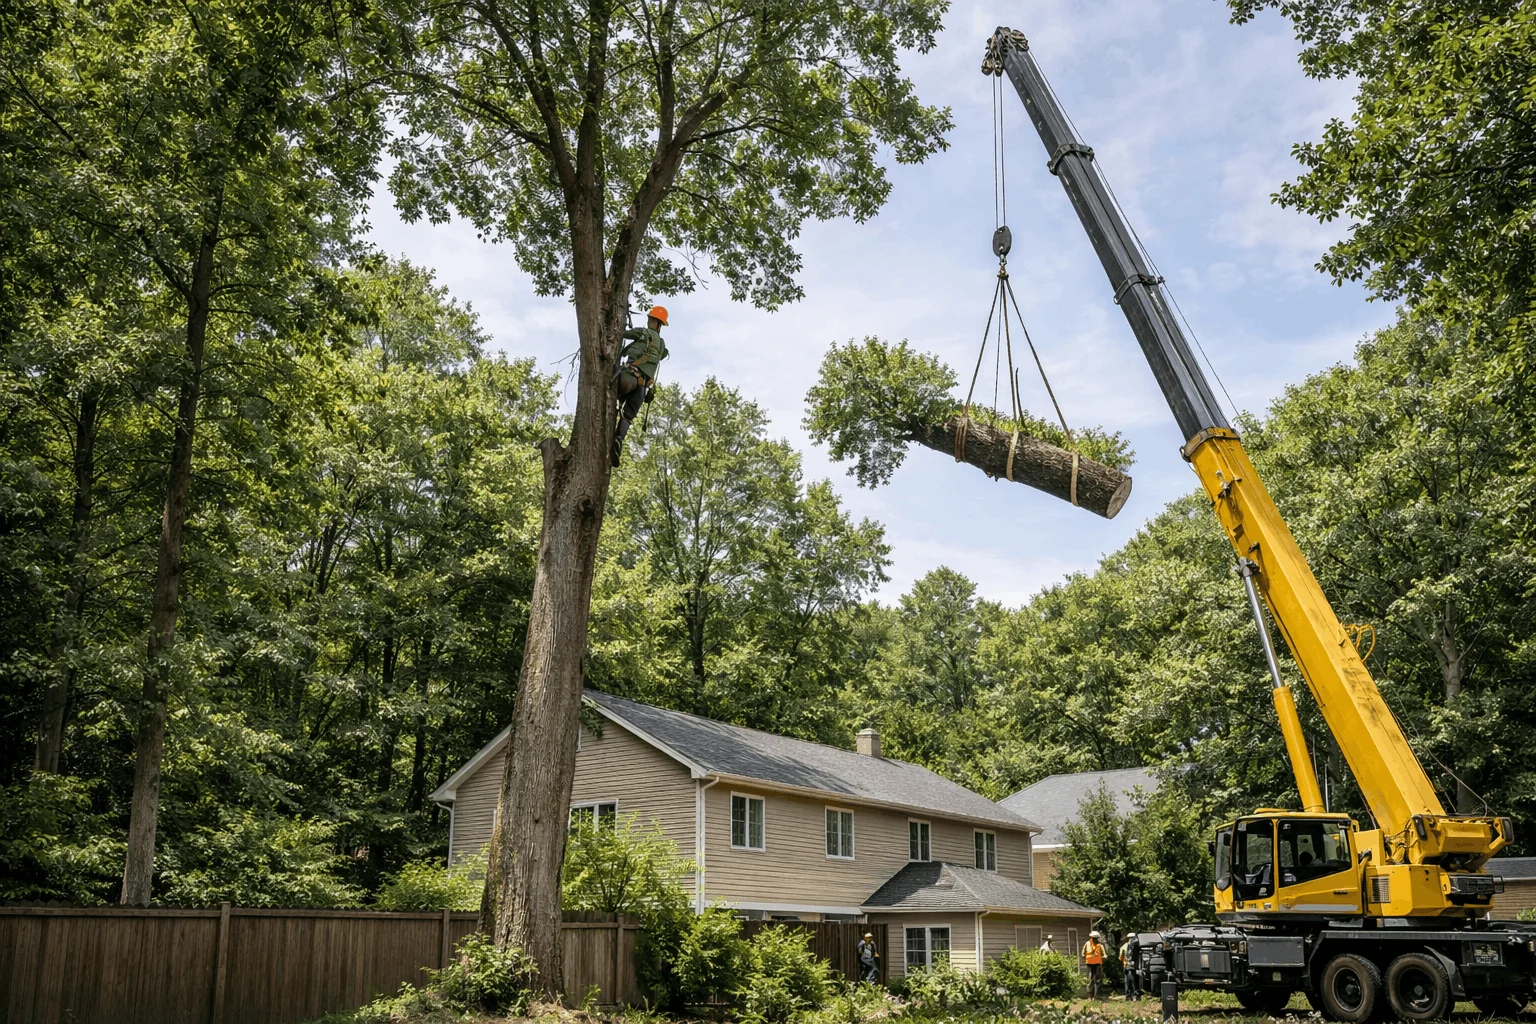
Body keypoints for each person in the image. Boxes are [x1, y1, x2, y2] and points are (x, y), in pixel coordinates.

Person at [611, 305, 670, 466]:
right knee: (628, 416)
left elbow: (623, 334)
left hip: (629, 376)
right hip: (642, 387)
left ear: (652, 321)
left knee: (612, 380)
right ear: (661, 325)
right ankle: (618, 439)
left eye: (650, 319)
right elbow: (664, 354)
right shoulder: (662, 345)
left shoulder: (643, 332)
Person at [1082, 930, 1106, 999]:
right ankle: (1089, 996)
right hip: (1090, 964)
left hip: (1097, 964)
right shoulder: (1087, 944)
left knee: (1098, 980)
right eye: (1093, 938)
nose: (1094, 939)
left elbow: (1105, 956)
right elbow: (1083, 954)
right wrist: (1087, 958)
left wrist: (1099, 957)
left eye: (1095, 938)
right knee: (1090, 979)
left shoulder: (1100, 945)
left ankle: (1096, 996)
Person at [1120, 934, 1142, 1000]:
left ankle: (1128, 995)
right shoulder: (1138, 945)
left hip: (1126, 965)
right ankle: (1136, 995)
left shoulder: (1124, 946)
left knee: (1127, 981)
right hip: (1135, 966)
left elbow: (1121, 957)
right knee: (1135, 980)